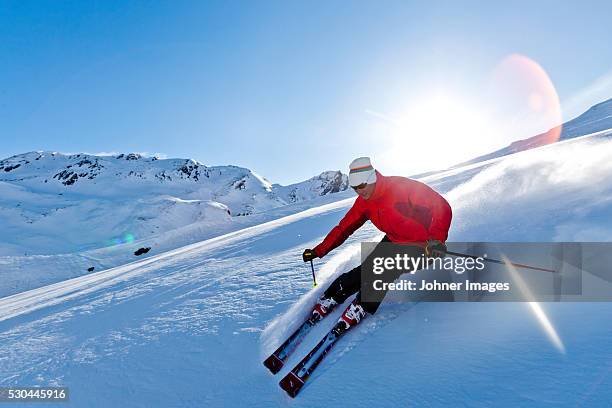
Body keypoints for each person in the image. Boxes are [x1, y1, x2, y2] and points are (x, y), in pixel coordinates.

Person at [302, 157, 452, 333]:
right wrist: (318, 251)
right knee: (366, 269)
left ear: (372, 178)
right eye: (355, 188)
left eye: (362, 185)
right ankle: (332, 296)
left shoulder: (401, 187)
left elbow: (442, 206)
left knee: (385, 268)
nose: (359, 191)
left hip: (423, 246)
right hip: (394, 240)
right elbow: (343, 228)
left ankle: (362, 306)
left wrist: (436, 239)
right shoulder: (364, 202)